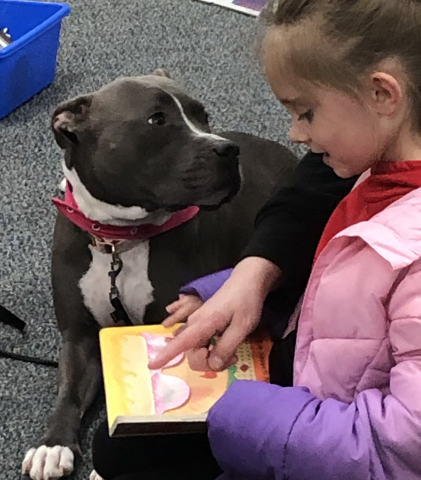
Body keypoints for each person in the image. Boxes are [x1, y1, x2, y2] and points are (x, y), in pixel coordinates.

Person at [94, 0, 421, 478]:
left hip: (323, 435)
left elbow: (395, 451)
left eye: (305, 113)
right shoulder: (374, 165)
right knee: (123, 442)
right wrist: (249, 284)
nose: (293, 134)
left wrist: (240, 412)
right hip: (312, 386)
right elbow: (348, 281)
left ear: (382, 94)